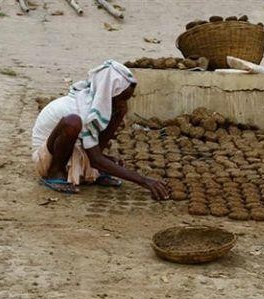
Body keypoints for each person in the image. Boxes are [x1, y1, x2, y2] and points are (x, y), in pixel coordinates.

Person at [31, 60, 169, 200]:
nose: (124, 103)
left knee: (118, 113)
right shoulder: (83, 108)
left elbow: (96, 150)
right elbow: (95, 159)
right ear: (108, 94)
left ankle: (91, 171)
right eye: (121, 99)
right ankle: (55, 173)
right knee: (72, 122)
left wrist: (119, 114)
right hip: (47, 158)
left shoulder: (100, 104)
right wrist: (143, 180)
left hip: (72, 151)